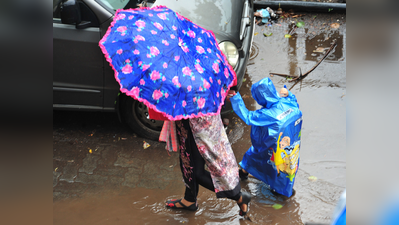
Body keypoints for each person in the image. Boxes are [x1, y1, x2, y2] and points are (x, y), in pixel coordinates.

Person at [164, 113, 251, 216]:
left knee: (195, 170)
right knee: (189, 161)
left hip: (195, 119)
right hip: (205, 116)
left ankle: (239, 197)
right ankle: (189, 199)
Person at [228, 78, 302, 197]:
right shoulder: (287, 102)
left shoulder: (267, 114)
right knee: (284, 167)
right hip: (291, 145)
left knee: (264, 160)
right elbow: (293, 100)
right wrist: (288, 93)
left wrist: (234, 97)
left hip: (273, 147)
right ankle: (244, 171)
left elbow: (247, 116)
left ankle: (280, 194)